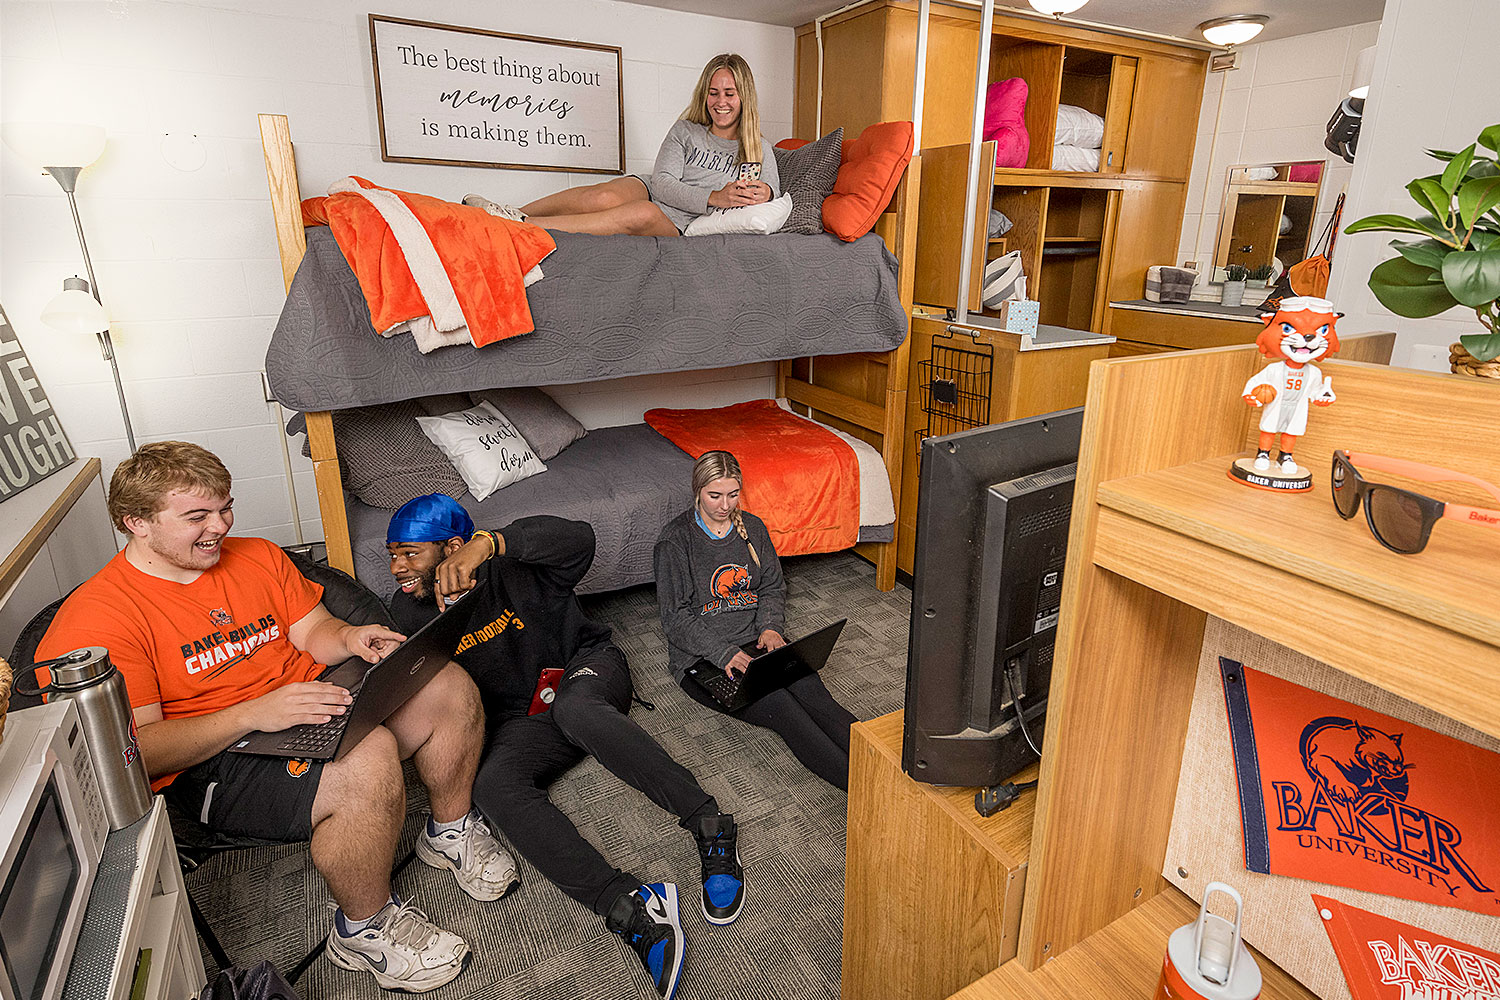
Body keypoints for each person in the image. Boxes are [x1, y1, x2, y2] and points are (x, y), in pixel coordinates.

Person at [36, 442, 516, 995]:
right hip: (220, 757)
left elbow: (313, 631)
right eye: (198, 517)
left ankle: (449, 831)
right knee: (369, 758)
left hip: (311, 701)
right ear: (136, 523)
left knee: (446, 682)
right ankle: (362, 928)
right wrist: (254, 713)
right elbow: (139, 752)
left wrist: (352, 638)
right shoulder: (101, 616)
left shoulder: (257, 555)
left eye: (225, 508)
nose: (220, 526)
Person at [386, 495, 745, 1000]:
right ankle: (629, 907)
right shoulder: (408, 608)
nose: (399, 568)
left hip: (583, 670)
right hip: (521, 717)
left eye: (409, 554)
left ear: (451, 547)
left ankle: (709, 822)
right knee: (490, 786)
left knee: (575, 710)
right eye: (393, 556)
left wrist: (489, 543)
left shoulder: (514, 561)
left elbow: (581, 535)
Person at [653, 451, 859, 790]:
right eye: (714, 495)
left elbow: (773, 585)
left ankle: (888, 769)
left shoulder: (753, 528)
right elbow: (675, 618)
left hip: (760, 644)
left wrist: (771, 627)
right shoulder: (675, 541)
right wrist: (723, 654)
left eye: (732, 494)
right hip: (704, 659)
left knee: (815, 696)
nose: (724, 505)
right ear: (697, 491)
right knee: (785, 710)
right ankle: (867, 791)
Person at [465, 52, 780, 235]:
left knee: (640, 214)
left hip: (683, 222)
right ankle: (508, 211)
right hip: (655, 190)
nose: (720, 102)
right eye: (714, 92)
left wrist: (765, 192)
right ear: (704, 94)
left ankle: (522, 227)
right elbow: (663, 183)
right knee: (602, 195)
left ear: (744, 96)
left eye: (729, 93)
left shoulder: (759, 148)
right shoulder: (686, 130)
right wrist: (716, 196)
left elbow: (774, 196)